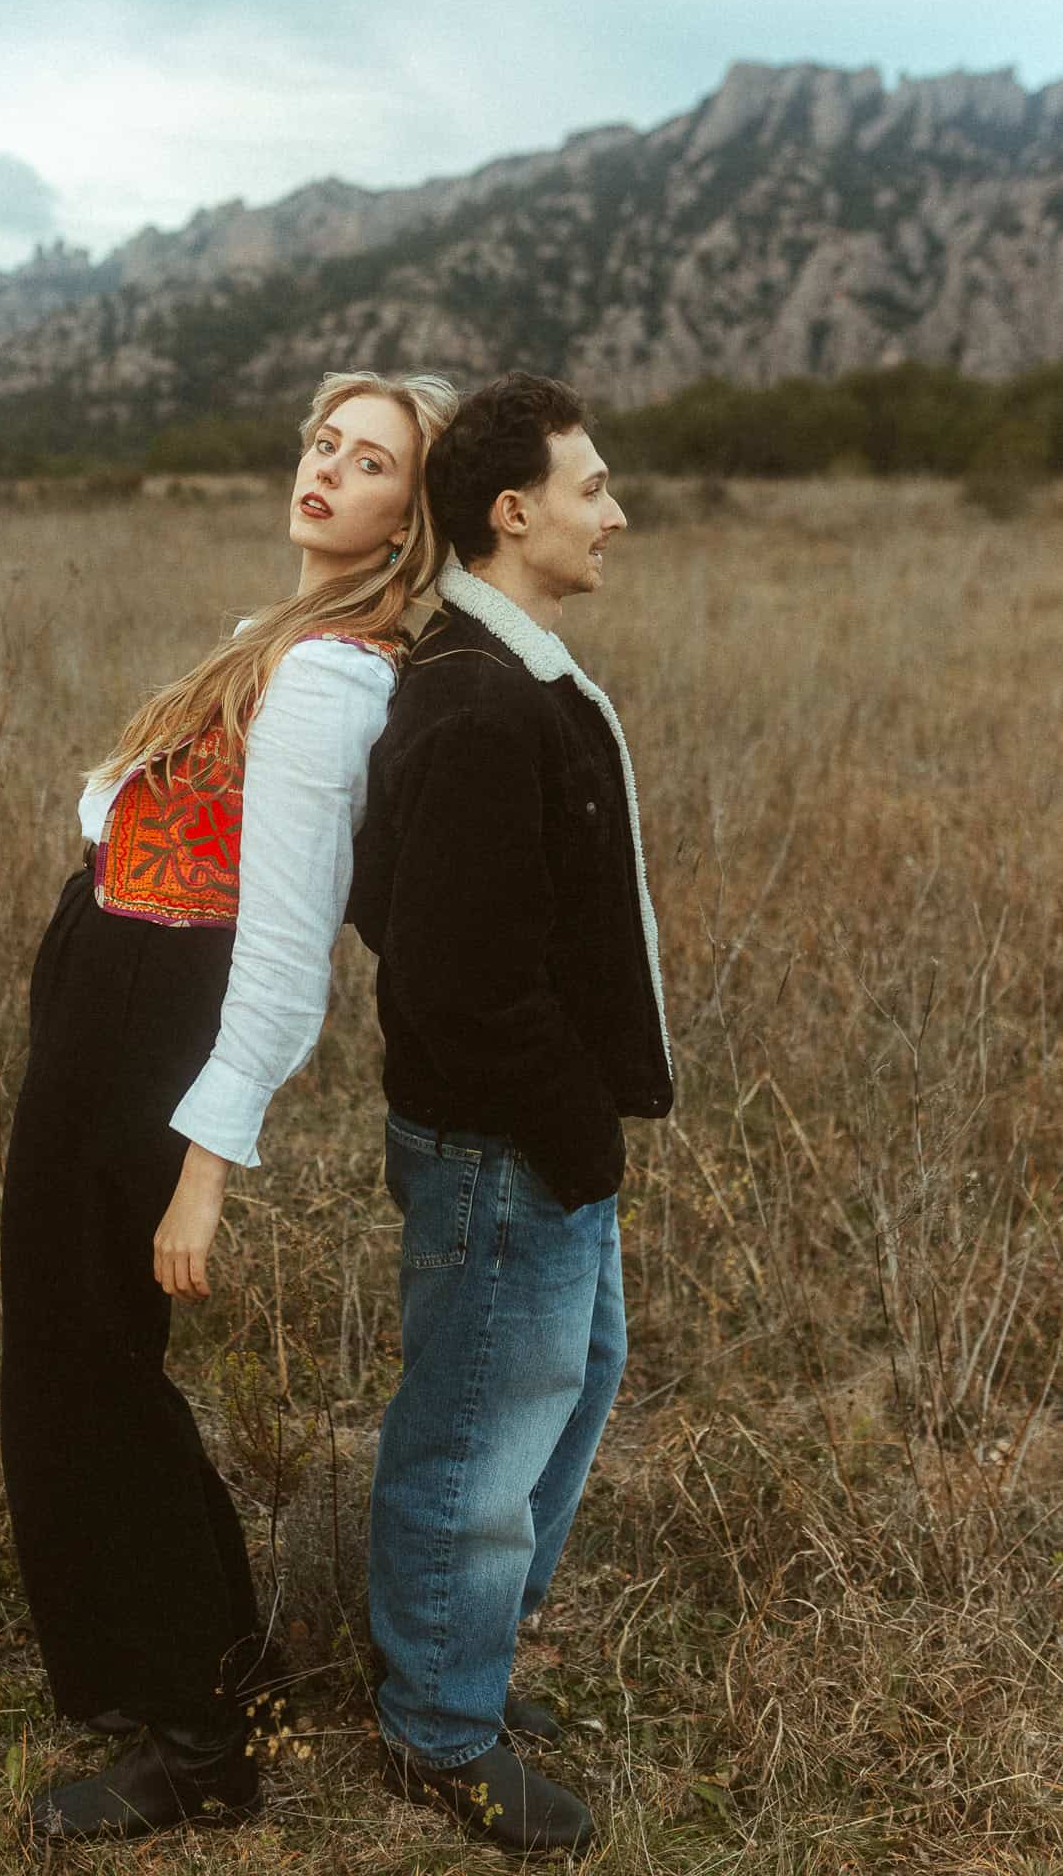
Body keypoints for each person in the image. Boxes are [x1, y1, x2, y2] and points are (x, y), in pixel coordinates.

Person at [0, 367, 458, 1844]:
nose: (324, 469)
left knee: (89, 1365)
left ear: (416, 513)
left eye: (371, 460)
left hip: (157, 1018)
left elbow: (284, 944)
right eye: (322, 441)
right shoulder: (290, 632)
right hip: (115, 983)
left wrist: (207, 1163)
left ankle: (197, 1742)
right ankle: (203, 1665)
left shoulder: (333, 672)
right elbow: (133, 808)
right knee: (79, 1351)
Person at [348, 370, 674, 1856]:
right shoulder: (478, 699)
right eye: (592, 486)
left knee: (557, 1403)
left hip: (530, 1139)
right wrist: (571, 1125)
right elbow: (459, 977)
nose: (614, 511)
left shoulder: (501, 674)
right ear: (511, 510)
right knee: (476, 1444)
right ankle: (435, 1731)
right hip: (501, 1147)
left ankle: (450, 1662)